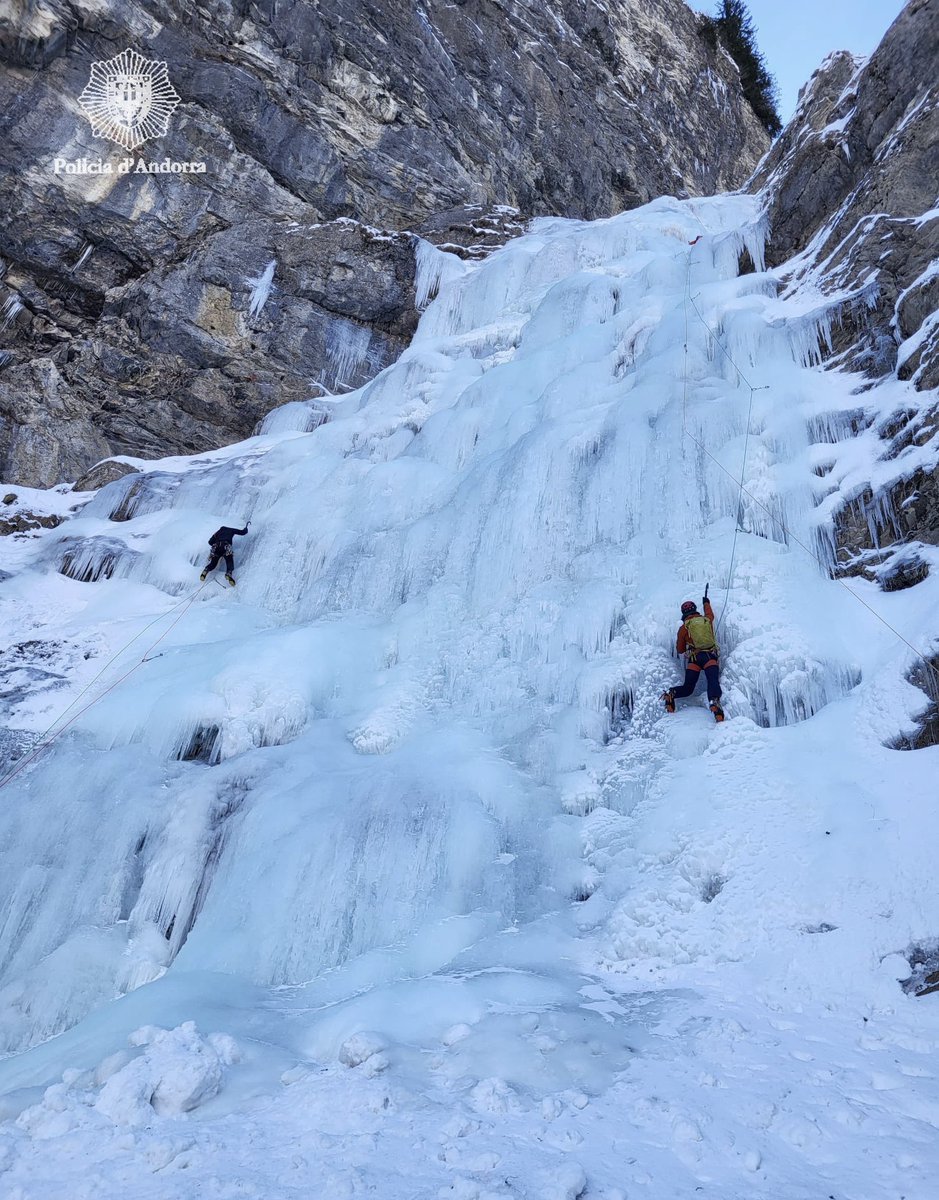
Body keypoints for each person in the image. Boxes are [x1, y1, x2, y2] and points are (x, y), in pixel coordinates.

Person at [662, 594, 724, 722]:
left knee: (688, 688)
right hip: (709, 656)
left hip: (694, 659)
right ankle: (714, 701)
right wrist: (706, 602)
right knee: (712, 680)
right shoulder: (706, 619)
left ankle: (671, 693)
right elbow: (709, 612)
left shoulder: (684, 627)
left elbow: (680, 650)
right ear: (695, 609)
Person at [200, 522, 249, 586]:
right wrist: (246, 528)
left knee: (213, 563)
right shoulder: (231, 530)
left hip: (216, 548)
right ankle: (228, 573)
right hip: (226, 547)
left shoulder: (218, 532)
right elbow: (243, 532)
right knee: (229, 561)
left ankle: (206, 570)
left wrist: (216, 539)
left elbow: (210, 542)